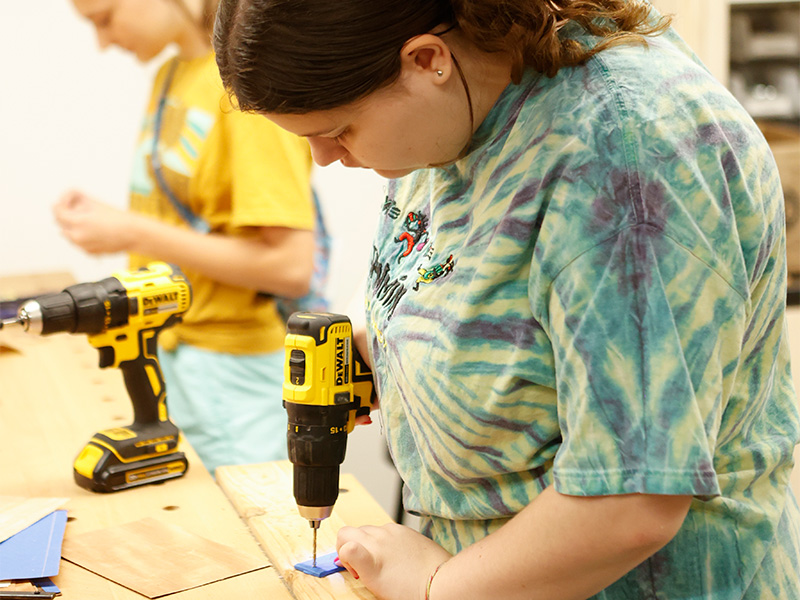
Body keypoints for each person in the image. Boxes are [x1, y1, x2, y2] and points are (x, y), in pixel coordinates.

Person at [214, 0, 800, 598]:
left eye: (338, 131)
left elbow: (631, 502)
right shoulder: (458, 109)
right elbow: (494, 303)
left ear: (426, 60)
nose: (324, 158)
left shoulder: (627, 158)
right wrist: (393, 357)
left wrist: (436, 586)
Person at [54, 0, 319, 475]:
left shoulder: (245, 89)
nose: (103, 40)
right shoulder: (172, 75)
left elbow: (290, 267)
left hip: (229, 376)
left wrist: (131, 230)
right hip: (171, 353)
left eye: (104, 17)